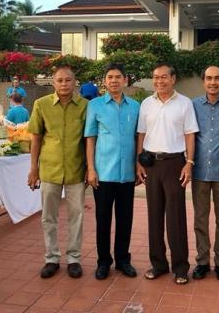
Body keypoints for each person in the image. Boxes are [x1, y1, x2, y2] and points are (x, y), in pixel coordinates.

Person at [136, 62, 198, 285]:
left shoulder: (185, 103)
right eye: (155, 77)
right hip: (151, 164)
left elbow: (190, 134)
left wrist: (189, 163)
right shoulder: (146, 103)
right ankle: (158, 264)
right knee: (154, 216)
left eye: (163, 77)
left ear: (173, 79)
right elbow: (141, 134)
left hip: (175, 164)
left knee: (176, 217)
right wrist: (139, 162)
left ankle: (180, 267)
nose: (159, 81)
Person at [28, 66, 88, 279]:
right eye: (60, 80)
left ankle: (74, 258)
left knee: (76, 216)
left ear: (74, 82)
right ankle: (51, 258)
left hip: (76, 169)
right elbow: (36, 138)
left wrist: (89, 169)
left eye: (68, 80)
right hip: (49, 170)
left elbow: (88, 140)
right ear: (53, 83)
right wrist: (33, 169)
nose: (64, 84)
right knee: (48, 217)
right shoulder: (41, 104)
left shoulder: (85, 106)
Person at [85, 63, 140, 280]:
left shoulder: (135, 106)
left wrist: (138, 165)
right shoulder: (95, 105)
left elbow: (138, 138)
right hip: (103, 173)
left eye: (118, 77)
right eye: (110, 77)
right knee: (103, 219)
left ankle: (123, 260)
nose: (114, 80)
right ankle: (103, 262)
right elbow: (90, 138)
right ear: (105, 81)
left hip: (127, 174)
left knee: (125, 219)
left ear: (125, 80)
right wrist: (91, 169)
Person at [191, 66, 219, 282]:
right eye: (209, 78)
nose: (213, 82)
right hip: (199, 171)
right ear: (203, 82)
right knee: (200, 219)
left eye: (217, 78)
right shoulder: (193, 106)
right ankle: (202, 261)